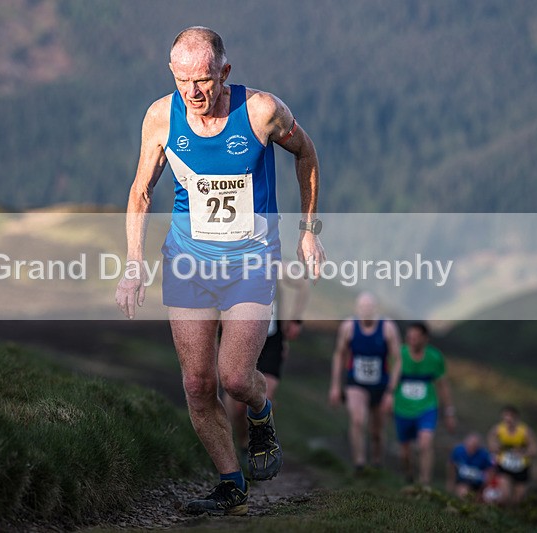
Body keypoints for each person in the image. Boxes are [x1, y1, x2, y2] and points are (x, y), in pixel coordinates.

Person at [114, 26, 325, 516]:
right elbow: (141, 191)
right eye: (183, 80)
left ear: (224, 72)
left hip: (251, 260)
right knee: (195, 384)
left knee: (234, 377)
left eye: (204, 81)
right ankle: (231, 484)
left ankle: (261, 411)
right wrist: (132, 264)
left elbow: (307, 154)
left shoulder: (261, 112)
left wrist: (309, 229)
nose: (193, 92)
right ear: (172, 74)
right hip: (188, 260)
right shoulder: (161, 117)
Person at [224, 277, 310, 454]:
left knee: (265, 396)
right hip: (237, 338)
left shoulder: (273, 262)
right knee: (238, 402)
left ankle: (260, 446)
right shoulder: (230, 258)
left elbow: (303, 282)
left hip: (271, 340)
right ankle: (241, 443)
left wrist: (295, 320)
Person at [328, 292, 402, 471]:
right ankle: (359, 463)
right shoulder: (348, 327)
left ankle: (377, 463)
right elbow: (339, 354)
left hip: (380, 384)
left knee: (377, 431)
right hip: (356, 382)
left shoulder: (388, 328)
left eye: (369, 308)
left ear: (375, 309)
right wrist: (336, 386)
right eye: (362, 308)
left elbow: (398, 359)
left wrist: (391, 391)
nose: (366, 311)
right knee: (358, 419)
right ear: (356, 309)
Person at [394, 322, 456, 486]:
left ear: (425, 339)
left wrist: (449, 412)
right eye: (409, 337)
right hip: (402, 409)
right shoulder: (399, 355)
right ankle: (409, 475)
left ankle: (425, 484)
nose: (411, 341)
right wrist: (387, 397)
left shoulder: (435, 358)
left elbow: (443, 386)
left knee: (425, 443)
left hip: (426, 407)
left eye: (415, 337)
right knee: (404, 453)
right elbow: (391, 380)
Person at [487, 405, 537, 505]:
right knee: (504, 495)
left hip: (521, 467)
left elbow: (534, 449)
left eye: (510, 417)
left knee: (518, 499)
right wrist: (495, 447)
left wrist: (523, 452)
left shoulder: (525, 431)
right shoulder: (498, 429)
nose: (508, 420)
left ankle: (511, 516)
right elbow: (491, 442)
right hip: (504, 466)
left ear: (516, 418)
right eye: (505, 417)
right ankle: (499, 515)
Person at [447, 432, 495, 500]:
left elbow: (490, 470)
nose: (471, 449)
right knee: (463, 493)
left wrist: (484, 487)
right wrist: (451, 482)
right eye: (469, 446)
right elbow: (451, 466)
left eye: (474, 446)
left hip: (478, 484)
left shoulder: (484, 455)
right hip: (463, 482)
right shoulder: (458, 451)